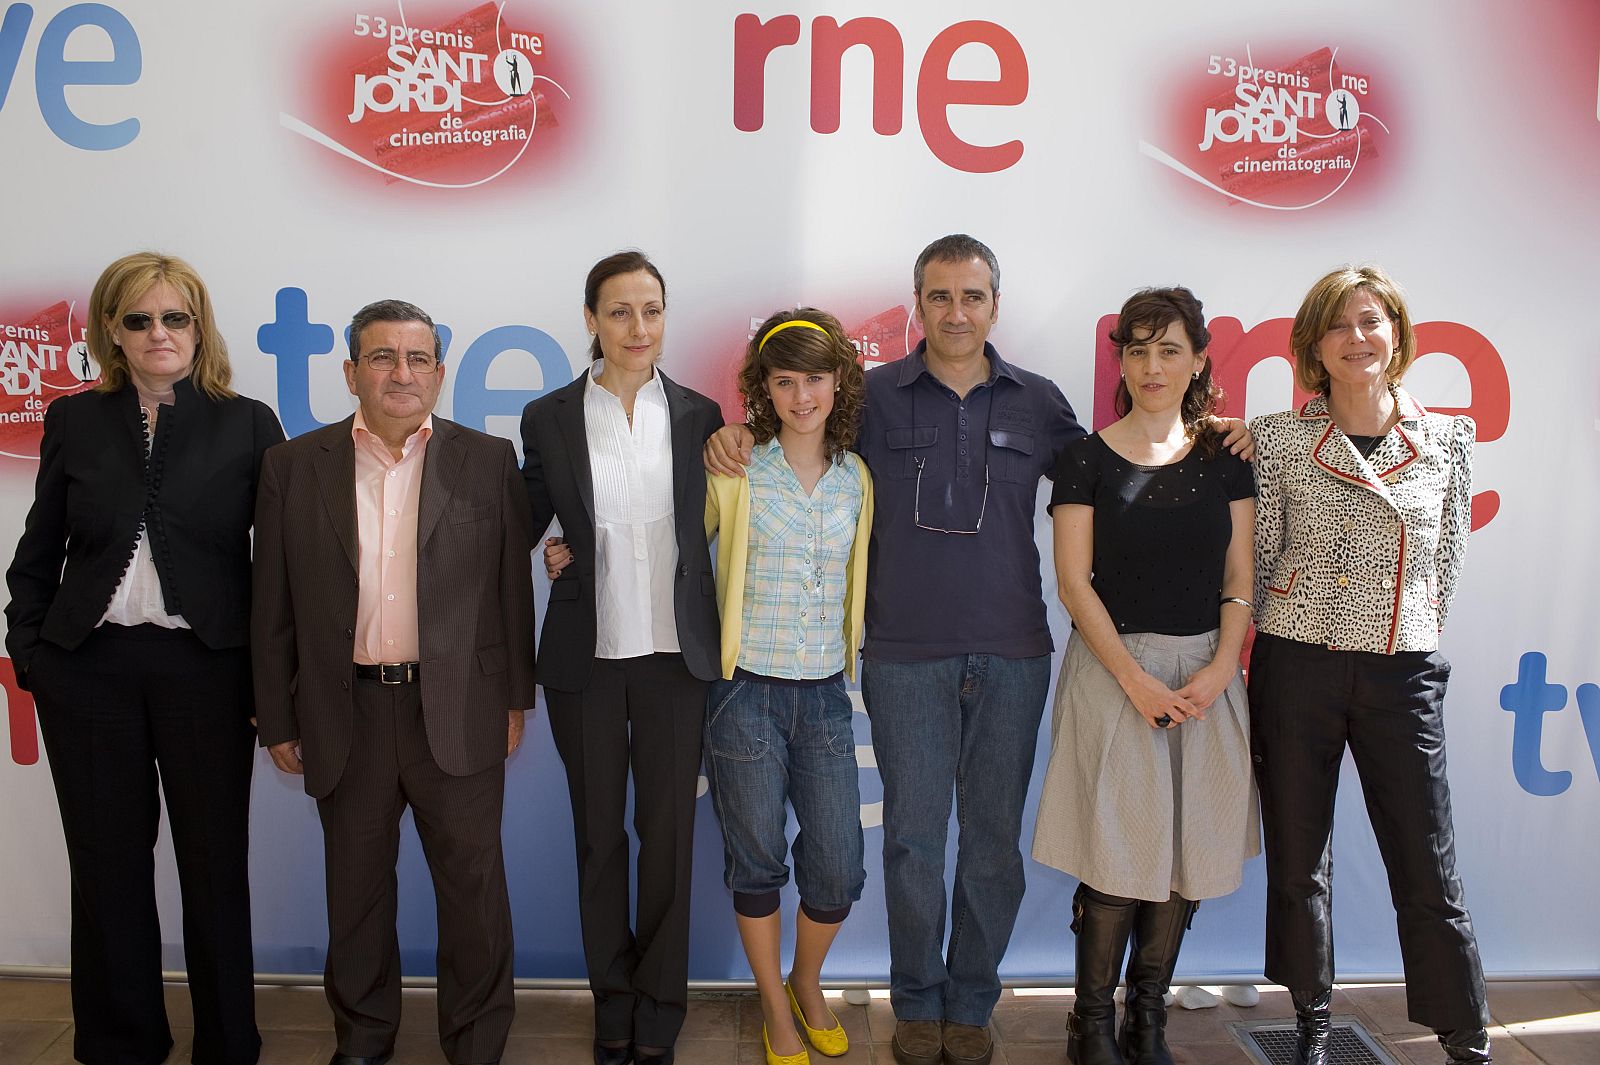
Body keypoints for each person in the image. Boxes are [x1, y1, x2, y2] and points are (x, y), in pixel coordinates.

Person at [706, 236, 1256, 1065]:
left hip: (1012, 654)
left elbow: (1128, 454)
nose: (955, 312)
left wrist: (1211, 426)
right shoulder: (875, 397)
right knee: (914, 841)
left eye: (971, 296)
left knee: (993, 844)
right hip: (902, 655)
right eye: (938, 296)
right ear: (917, 304)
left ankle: (972, 1002)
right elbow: (798, 430)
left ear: (995, 305)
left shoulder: (1039, 402)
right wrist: (731, 441)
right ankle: (916, 1001)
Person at [5, 251, 283, 1065]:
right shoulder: (75, 420)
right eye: (139, 319)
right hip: (87, 671)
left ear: (199, 327)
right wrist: (33, 653)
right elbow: (36, 554)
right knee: (105, 866)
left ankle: (229, 1042)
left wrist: (272, 677)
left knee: (213, 864)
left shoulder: (249, 421)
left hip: (208, 671)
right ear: (111, 333)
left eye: (175, 317)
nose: (159, 332)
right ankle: (123, 1040)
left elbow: (281, 566)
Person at [251, 299, 535, 1065]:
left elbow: (512, 591)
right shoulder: (291, 467)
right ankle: (365, 1038)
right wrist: (276, 714)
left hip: (460, 709)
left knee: (474, 895)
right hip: (346, 711)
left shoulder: (487, 459)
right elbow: (271, 602)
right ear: (350, 372)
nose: (400, 373)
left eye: (417, 358)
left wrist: (515, 698)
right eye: (382, 357)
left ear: (440, 374)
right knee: (357, 896)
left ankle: (476, 1043)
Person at [1249, 265, 1490, 1065]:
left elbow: (1444, 562)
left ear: (1397, 332)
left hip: (1400, 668)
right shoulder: (1280, 438)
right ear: (1314, 346)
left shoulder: (1450, 438)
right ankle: (1312, 1019)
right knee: (1298, 857)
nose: (1359, 338)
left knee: (1428, 859)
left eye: (1371, 321)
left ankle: (1466, 1033)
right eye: (1339, 325)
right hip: (1298, 664)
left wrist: (1405, 627)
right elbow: (1257, 558)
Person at [1030, 288, 1258, 1065]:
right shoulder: (1084, 458)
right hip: (1112, 672)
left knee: (1186, 853)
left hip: (1206, 676)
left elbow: (1239, 578)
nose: (1151, 365)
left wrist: (1223, 666)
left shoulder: (1227, 459)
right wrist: (1132, 679)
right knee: (1117, 854)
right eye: (1137, 349)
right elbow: (1073, 583)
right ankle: (1090, 1022)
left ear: (1198, 359)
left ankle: (1146, 1017)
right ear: (1120, 359)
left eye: (1168, 349)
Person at [520, 251, 724, 1065]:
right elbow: (526, 514)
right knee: (599, 837)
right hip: (588, 660)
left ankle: (660, 1008)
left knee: (667, 838)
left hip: (677, 659)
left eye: (652, 310)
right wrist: (551, 551)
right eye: (620, 312)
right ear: (592, 320)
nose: (638, 329)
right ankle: (612, 1002)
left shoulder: (705, 414)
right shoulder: (550, 415)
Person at [705, 310, 873, 1065]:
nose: (801, 395)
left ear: (839, 381)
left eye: (814, 378)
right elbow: (670, 538)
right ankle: (774, 1003)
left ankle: (808, 979)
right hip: (745, 693)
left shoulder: (856, 477)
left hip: (825, 694)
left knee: (837, 864)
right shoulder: (736, 468)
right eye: (783, 380)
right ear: (762, 388)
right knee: (758, 857)